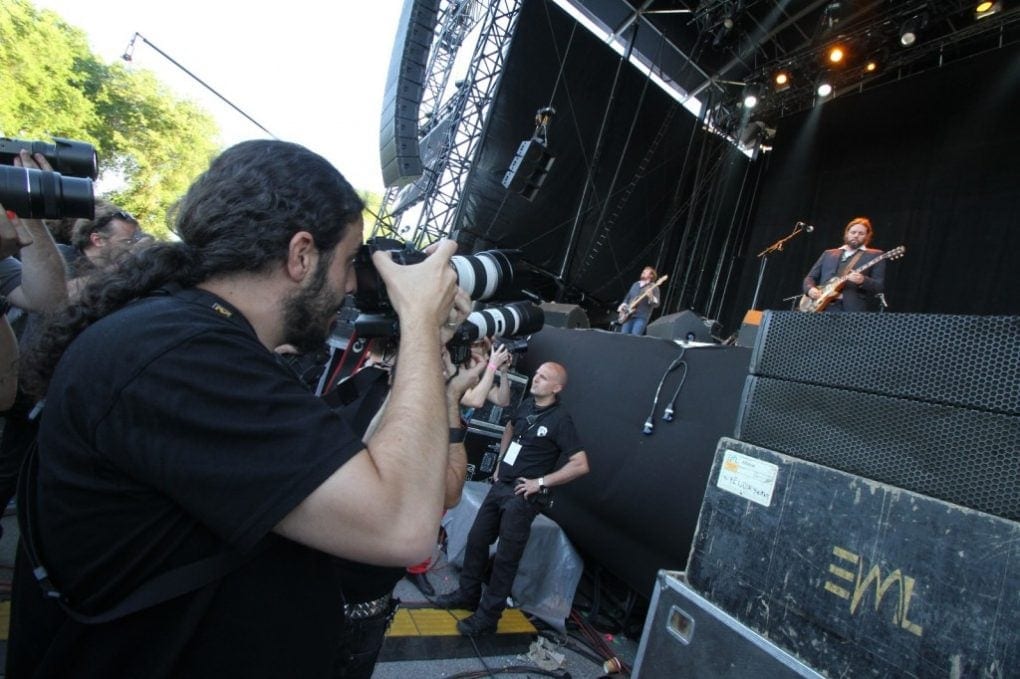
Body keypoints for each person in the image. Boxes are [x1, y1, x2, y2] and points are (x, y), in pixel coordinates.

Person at [7, 140, 472, 678]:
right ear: (301, 255)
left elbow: (375, 472)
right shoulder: (183, 355)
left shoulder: (186, 337)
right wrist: (417, 321)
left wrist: (425, 339)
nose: (349, 286)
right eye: (347, 262)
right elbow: (399, 525)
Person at [436, 361, 590, 637]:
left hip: (522, 496)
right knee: (477, 539)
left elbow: (580, 464)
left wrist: (540, 483)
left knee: (506, 558)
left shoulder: (560, 420)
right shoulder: (527, 406)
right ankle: (467, 594)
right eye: (537, 374)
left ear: (557, 387)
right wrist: (499, 464)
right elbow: (509, 427)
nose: (536, 379)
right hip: (501, 486)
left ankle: (487, 617)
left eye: (544, 377)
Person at [803, 217, 886, 312]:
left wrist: (862, 280)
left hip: (850, 310)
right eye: (853, 232)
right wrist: (810, 290)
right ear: (847, 233)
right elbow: (810, 277)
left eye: (861, 233)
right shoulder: (829, 253)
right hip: (821, 307)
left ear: (867, 236)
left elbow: (879, 286)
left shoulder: (875, 255)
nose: (856, 236)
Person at [617, 266, 660, 335]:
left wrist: (651, 297)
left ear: (651, 275)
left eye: (646, 271)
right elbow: (628, 297)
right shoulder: (635, 284)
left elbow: (657, 304)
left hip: (641, 317)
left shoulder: (654, 287)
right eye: (643, 271)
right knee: (623, 337)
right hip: (628, 316)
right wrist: (623, 305)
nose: (643, 272)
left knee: (634, 338)